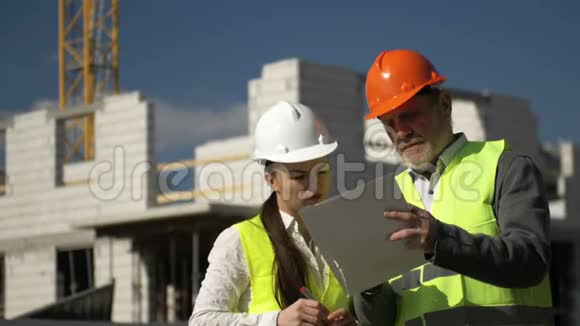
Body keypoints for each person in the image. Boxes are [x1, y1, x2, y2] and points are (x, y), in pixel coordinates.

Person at [353, 49, 553, 325]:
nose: (401, 132)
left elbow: (530, 262)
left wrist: (439, 240)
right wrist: (369, 285)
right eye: (389, 123)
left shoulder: (505, 168)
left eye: (409, 115)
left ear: (444, 104)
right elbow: (381, 320)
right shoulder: (387, 197)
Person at [190, 101, 357, 326]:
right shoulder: (239, 240)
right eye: (299, 177)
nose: (314, 186)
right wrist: (276, 321)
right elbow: (201, 321)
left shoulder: (343, 239)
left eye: (322, 172)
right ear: (272, 180)